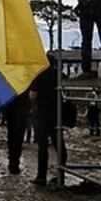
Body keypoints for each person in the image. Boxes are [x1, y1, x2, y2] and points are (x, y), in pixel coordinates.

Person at [30, 54, 67, 185]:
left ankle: (41, 177)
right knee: (59, 144)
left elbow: (33, 95)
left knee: (43, 146)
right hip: (57, 113)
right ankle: (61, 175)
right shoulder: (58, 74)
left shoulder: (39, 75)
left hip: (41, 113)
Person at [2, 92, 30, 175]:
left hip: (10, 103)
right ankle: (14, 163)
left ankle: (12, 160)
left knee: (11, 133)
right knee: (18, 135)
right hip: (22, 106)